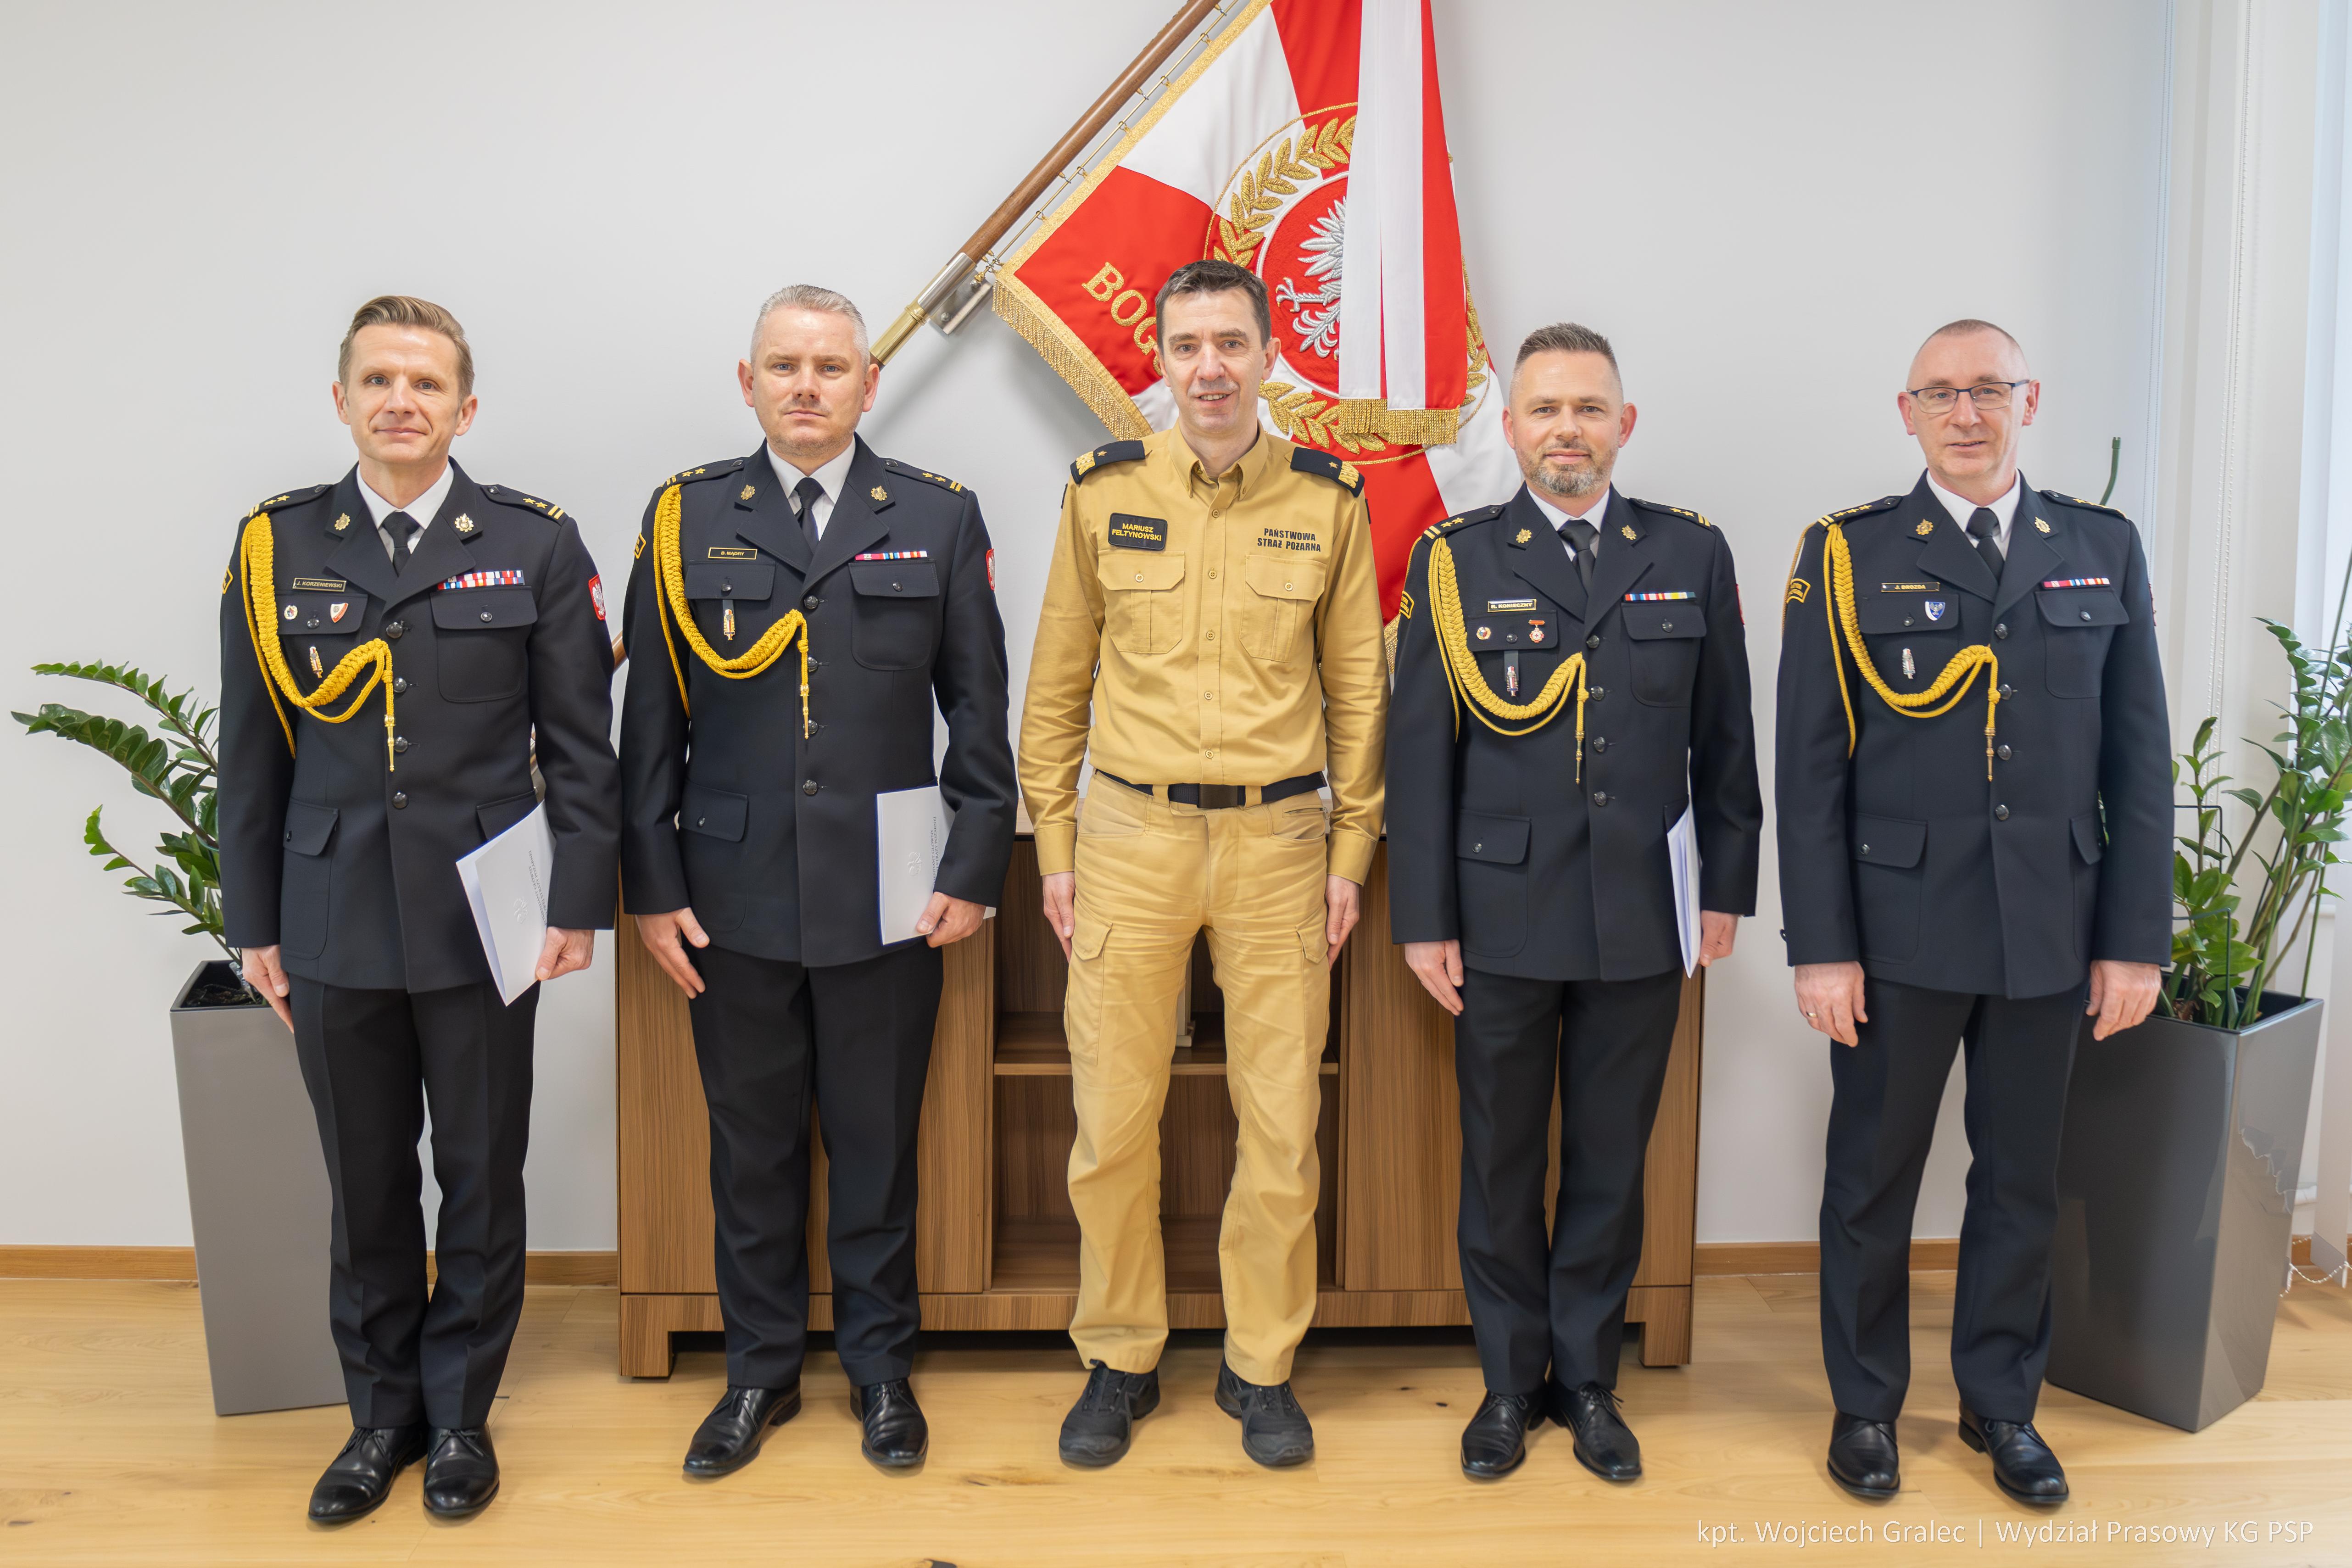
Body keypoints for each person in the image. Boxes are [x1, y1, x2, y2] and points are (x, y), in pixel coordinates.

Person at [217, 295, 620, 1522]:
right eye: (380, 380)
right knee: (367, 1180)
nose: (403, 400)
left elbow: (580, 745)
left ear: (465, 408)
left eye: (427, 382)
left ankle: (457, 1420)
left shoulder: (534, 543)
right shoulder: (276, 545)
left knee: (483, 1175)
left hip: (484, 917)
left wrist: (575, 902)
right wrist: (253, 923)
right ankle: (378, 1417)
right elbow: (252, 752)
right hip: (332, 908)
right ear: (342, 400)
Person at [619, 285, 1014, 1477]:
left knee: (876, 1142)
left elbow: (977, 708)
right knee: (751, 1150)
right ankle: (758, 1373)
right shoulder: (685, 516)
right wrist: (650, 882)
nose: (806, 386)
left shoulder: (936, 516)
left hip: (889, 890)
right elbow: (650, 722)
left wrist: (974, 864)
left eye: (830, 366)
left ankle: (880, 1369)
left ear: (867, 384)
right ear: (747, 383)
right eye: (783, 366)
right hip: (727, 891)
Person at [1777, 319, 2169, 1505]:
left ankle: (2001, 1404)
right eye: (1939, 394)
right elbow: (1809, 771)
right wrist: (1822, 948)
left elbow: (2138, 763)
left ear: (2025, 401)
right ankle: (1864, 1407)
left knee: (2018, 1183)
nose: (1964, 413)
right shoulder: (1845, 554)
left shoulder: (2097, 547)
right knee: (1870, 1181)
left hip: (2050, 927)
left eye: (1987, 389)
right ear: (1905, 413)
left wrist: (2131, 942)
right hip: (1896, 932)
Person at [1018, 258, 1388, 1469]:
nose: (1211, 367)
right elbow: (1055, 685)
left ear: (1268, 356)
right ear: (1162, 360)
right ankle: (1120, 1354)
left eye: (1232, 343)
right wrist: (1056, 847)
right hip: (1129, 839)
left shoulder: (1329, 502)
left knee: (1279, 1122)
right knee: (1111, 1119)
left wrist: (1348, 850)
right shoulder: (1101, 493)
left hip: (1279, 845)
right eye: (1187, 346)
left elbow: (1358, 693)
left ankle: (1259, 1362)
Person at [1385, 323, 1761, 1480]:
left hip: (1642, 910)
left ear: (1623, 425)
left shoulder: (1689, 551)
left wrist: (1725, 890)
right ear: (1510, 428)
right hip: (1499, 911)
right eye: (1545, 409)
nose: (1567, 430)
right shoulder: (1453, 560)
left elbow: (1726, 742)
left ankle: (1588, 1381)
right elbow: (1420, 753)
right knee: (1500, 1159)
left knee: (1609, 1158)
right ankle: (1509, 1384)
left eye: (1589, 408)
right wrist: (1423, 916)